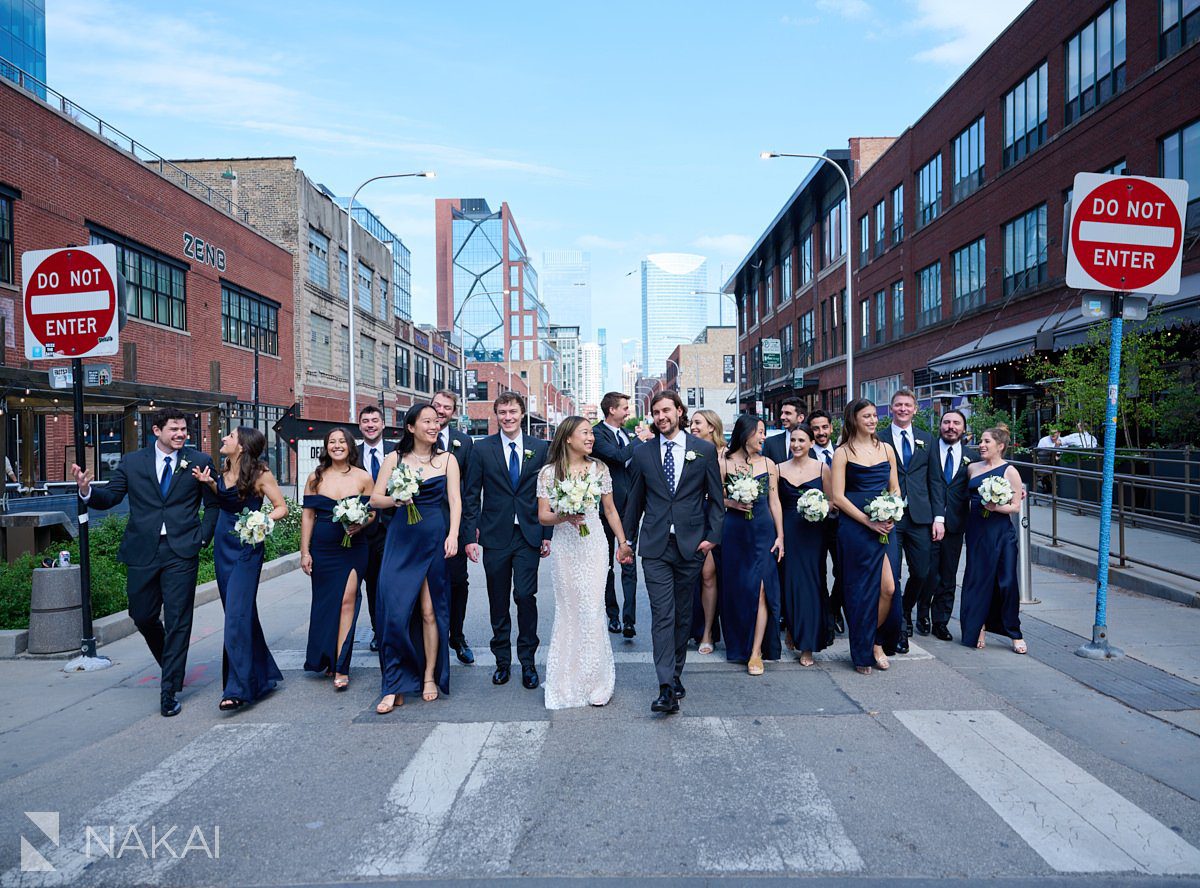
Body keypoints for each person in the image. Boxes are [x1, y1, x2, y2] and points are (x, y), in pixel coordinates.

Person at [71, 407, 218, 717]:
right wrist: (86, 492)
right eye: (174, 430)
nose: (180, 435)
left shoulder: (200, 461)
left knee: (179, 620)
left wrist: (202, 538)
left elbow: (213, 504)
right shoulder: (132, 462)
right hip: (143, 550)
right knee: (142, 615)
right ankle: (172, 666)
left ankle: (168, 692)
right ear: (157, 431)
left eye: (184, 430)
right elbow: (110, 497)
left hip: (182, 551)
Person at [619, 391, 724, 714]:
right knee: (663, 614)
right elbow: (634, 501)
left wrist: (711, 538)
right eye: (655, 411)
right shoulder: (643, 452)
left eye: (666, 410)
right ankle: (665, 686)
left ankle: (676, 673)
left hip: (691, 545)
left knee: (681, 614)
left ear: (679, 411)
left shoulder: (703, 451)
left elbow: (716, 501)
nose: (661, 416)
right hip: (655, 546)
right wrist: (627, 541)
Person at [369, 403, 461, 713]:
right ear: (411, 427)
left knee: (429, 611)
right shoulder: (394, 459)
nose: (434, 426)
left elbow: (456, 502)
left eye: (437, 421)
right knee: (394, 612)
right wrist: (396, 498)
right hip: (401, 539)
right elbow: (374, 499)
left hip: (433, 538)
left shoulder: (448, 460)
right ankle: (393, 683)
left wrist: (453, 535)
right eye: (427, 421)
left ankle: (428, 677)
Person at [537, 417, 632, 709]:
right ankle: (567, 679)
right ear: (568, 438)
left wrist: (623, 541)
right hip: (566, 545)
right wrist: (564, 516)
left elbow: (610, 509)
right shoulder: (548, 473)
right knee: (570, 610)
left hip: (593, 544)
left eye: (592, 433)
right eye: (585, 433)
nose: (591, 438)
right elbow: (543, 516)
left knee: (592, 609)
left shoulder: (599, 468)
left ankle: (596, 680)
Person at [192, 427, 288, 711]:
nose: (223, 438)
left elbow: (281, 507)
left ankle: (238, 687)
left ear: (242, 446)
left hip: (248, 548)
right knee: (241, 614)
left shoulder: (261, 475)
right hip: (223, 547)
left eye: (230, 436)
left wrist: (261, 521)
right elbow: (226, 499)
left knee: (236, 614)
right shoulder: (222, 472)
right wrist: (210, 484)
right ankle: (263, 676)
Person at [463, 392, 552, 690]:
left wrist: (546, 534)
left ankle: (528, 661)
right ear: (496, 415)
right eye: (502, 412)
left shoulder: (540, 448)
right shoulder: (482, 449)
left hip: (528, 534)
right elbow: (472, 495)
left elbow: (547, 495)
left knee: (526, 596)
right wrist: (469, 537)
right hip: (495, 535)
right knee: (498, 600)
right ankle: (502, 660)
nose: (508, 417)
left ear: (522, 413)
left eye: (512, 411)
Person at [829, 399, 903, 675]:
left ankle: (875, 641)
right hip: (857, 528)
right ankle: (864, 649)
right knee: (861, 591)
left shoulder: (886, 449)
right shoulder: (843, 453)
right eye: (866, 416)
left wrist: (892, 511)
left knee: (889, 588)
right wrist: (867, 521)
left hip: (885, 526)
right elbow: (838, 496)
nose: (873, 420)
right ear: (853, 420)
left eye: (874, 416)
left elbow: (894, 487)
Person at [300, 427, 375, 689]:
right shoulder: (315, 478)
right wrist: (304, 551)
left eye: (342, 441)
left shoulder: (364, 477)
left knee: (347, 601)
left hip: (354, 548)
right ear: (326, 447)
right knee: (325, 604)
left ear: (350, 446)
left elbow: (372, 513)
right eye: (332, 442)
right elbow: (308, 516)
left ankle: (342, 665)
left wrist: (361, 523)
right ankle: (326, 658)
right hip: (323, 548)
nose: (337, 445)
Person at [718, 413, 784, 675]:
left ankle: (756, 651)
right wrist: (733, 502)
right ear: (746, 433)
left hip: (764, 531)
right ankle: (738, 644)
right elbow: (712, 496)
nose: (764, 437)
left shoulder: (769, 463)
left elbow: (774, 501)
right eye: (760, 431)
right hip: (735, 532)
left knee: (762, 589)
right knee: (739, 589)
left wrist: (781, 536)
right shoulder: (725, 463)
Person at [882, 389, 943, 650]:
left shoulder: (927, 440)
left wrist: (938, 517)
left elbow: (935, 481)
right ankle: (898, 630)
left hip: (920, 516)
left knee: (922, 571)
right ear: (891, 408)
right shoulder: (879, 438)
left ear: (915, 409)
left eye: (908, 405)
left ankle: (906, 610)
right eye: (898, 405)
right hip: (890, 517)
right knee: (892, 575)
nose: (903, 409)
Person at [960, 425, 1027, 654]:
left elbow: (1016, 507)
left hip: (1001, 532)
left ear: (1000, 446)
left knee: (1006, 581)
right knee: (977, 579)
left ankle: (1014, 632)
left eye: (987, 441)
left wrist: (996, 506)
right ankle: (978, 626)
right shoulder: (972, 468)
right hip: (977, 530)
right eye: (981, 440)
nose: (981, 445)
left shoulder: (1010, 471)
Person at [591, 391, 650, 639]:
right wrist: (640, 439)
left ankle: (629, 621)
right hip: (606, 509)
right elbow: (617, 458)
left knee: (628, 564)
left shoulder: (624, 434)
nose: (628, 412)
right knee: (606, 565)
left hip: (630, 509)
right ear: (612, 410)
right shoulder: (597, 433)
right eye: (625, 408)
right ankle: (612, 615)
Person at [777, 424, 831, 666]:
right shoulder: (778, 469)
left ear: (811, 443)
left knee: (811, 584)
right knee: (789, 582)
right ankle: (791, 626)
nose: (796, 445)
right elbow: (774, 504)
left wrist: (819, 506)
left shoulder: (822, 468)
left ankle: (807, 644)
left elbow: (833, 502)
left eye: (802, 440)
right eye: (793, 440)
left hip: (813, 533)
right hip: (788, 530)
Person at [431, 389, 476, 665]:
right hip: (422, 525)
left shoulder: (464, 443)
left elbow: (471, 492)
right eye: (436, 405)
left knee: (458, 583)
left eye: (447, 407)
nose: (440, 410)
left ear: (453, 412)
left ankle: (456, 636)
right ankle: (430, 639)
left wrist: (468, 533)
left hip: (454, 527)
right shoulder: (414, 440)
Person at [929, 410, 977, 642]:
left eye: (956, 423)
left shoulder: (972, 457)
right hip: (926, 520)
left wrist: (1017, 489)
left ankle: (940, 621)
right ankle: (919, 617)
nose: (951, 426)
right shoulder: (927, 449)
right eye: (946, 422)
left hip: (956, 524)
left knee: (948, 575)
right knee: (925, 573)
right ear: (940, 425)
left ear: (963, 428)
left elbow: (989, 476)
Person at [357, 405, 395, 652]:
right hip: (364, 530)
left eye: (375, 420)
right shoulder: (352, 453)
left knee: (391, 582)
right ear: (360, 426)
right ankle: (377, 630)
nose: (370, 425)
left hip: (394, 526)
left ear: (383, 424)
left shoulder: (397, 451)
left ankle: (394, 628)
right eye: (365, 421)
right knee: (372, 583)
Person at [688, 409, 725, 653]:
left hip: (719, 519)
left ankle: (708, 632)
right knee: (695, 577)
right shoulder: (688, 452)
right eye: (691, 422)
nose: (692, 426)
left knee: (710, 576)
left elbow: (725, 493)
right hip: (694, 516)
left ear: (711, 426)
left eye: (697, 422)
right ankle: (695, 629)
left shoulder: (726, 453)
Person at [806, 409, 843, 638]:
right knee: (817, 572)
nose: (820, 432)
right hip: (814, 525)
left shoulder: (842, 453)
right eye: (816, 428)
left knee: (843, 570)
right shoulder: (804, 453)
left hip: (842, 524)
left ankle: (834, 607)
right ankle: (824, 618)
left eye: (824, 427)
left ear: (831, 428)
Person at [763, 396, 805, 464]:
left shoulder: (811, 442)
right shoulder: (770, 443)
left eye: (787, 413)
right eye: (782, 413)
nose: (782, 417)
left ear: (800, 417)